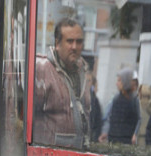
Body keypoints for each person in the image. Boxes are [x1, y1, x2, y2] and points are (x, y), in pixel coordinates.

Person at [33, 18, 92, 148]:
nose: (75, 47)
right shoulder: (42, 69)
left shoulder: (83, 70)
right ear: (57, 43)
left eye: (79, 41)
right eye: (69, 41)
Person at [101, 68, 139, 145]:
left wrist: (134, 134)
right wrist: (106, 132)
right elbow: (110, 118)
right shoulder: (116, 99)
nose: (116, 83)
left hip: (125, 143)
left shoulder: (134, 100)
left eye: (119, 80)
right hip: (113, 141)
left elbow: (137, 120)